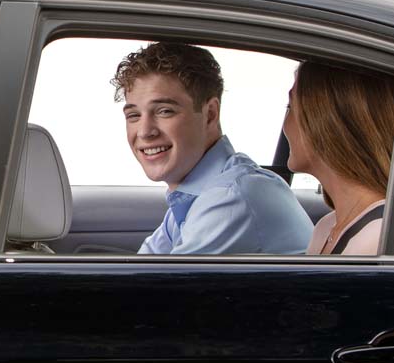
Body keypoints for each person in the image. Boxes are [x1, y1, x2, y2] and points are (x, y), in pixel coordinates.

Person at [112, 41, 312, 254]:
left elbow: (159, 285)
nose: (144, 132)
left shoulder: (231, 197)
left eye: (164, 111)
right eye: (133, 115)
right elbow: (145, 269)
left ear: (210, 114)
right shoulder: (193, 196)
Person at [284, 62, 394, 255]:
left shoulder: (375, 238)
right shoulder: (327, 226)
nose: (285, 126)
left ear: (323, 120)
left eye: (290, 107)